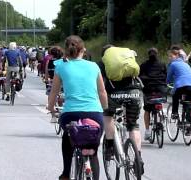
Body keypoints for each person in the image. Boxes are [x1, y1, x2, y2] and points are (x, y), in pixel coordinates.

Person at [48, 35, 108, 180]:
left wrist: (51, 108)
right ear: (83, 50)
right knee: (92, 150)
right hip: (95, 114)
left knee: (67, 137)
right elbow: (102, 91)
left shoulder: (60, 66)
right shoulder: (94, 66)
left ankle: (66, 173)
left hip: (70, 114)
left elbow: (54, 91)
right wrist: (104, 108)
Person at [98, 44, 144, 173]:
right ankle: (138, 157)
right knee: (133, 125)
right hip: (134, 92)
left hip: (114, 93)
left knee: (108, 117)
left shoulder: (102, 63)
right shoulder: (127, 58)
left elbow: (99, 83)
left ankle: (110, 147)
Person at [139, 48, 167, 140]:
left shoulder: (144, 65)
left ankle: (147, 131)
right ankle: (162, 120)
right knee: (159, 103)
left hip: (148, 90)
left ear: (148, 55)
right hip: (161, 89)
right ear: (157, 54)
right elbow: (165, 76)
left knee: (147, 110)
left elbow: (139, 76)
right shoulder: (162, 64)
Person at [167, 47, 191, 120]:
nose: (169, 58)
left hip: (181, 86)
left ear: (176, 56)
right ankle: (188, 123)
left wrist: (167, 83)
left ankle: (175, 113)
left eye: (170, 56)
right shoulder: (186, 64)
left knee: (175, 96)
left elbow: (168, 78)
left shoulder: (173, 64)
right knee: (188, 102)